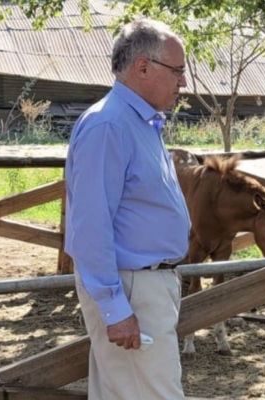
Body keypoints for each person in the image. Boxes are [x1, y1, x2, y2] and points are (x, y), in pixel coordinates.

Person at [64, 18, 190, 400]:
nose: (183, 82)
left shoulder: (136, 123)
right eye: (178, 71)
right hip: (132, 286)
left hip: (142, 283)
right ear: (143, 67)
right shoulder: (109, 126)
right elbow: (90, 227)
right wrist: (115, 308)